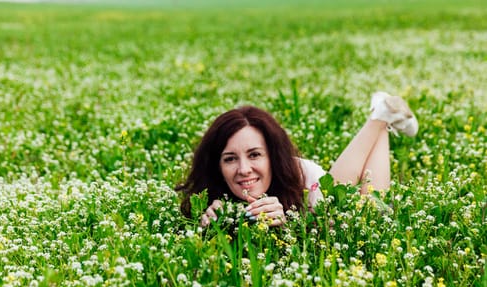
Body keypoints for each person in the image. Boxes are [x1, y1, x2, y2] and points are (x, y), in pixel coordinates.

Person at [176, 91, 418, 227]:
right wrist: (205, 231)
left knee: (372, 213)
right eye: (230, 159)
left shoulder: (298, 175)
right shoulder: (207, 196)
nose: (244, 169)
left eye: (255, 155)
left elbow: (332, 237)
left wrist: (288, 227)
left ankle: (381, 119)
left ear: (272, 156)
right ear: (217, 165)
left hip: (309, 190)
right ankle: (384, 115)